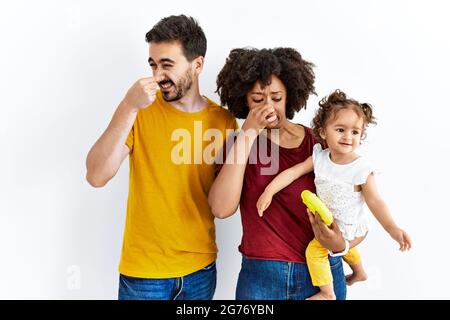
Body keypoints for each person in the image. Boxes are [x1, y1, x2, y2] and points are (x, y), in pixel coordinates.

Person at [85, 15, 237, 300]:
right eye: (153, 65)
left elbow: (224, 201)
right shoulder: (138, 111)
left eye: (167, 65)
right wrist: (128, 105)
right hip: (144, 273)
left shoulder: (223, 121)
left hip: (200, 269)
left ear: (197, 65)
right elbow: (96, 175)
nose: (157, 75)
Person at [209, 48, 364, 300]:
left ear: (289, 96)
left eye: (276, 98)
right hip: (261, 276)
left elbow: (358, 203)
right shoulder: (237, 146)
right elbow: (221, 209)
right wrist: (248, 132)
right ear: (244, 101)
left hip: (321, 274)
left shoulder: (318, 143)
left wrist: (343, 245)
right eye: (258, 100)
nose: (268, 107)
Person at [256, 89, 412, 299]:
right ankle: (360, 272)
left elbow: (375, 201)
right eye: (340, 129)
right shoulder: (320, 158)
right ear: (323, 132)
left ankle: (327, 293)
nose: (348, 136)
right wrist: (269, 191)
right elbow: (293, 172)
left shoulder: (361, 168)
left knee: (315, 252)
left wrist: (392, 228)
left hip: (349, 227)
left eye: (355, 132)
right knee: (338, 248)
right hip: (330, 223)